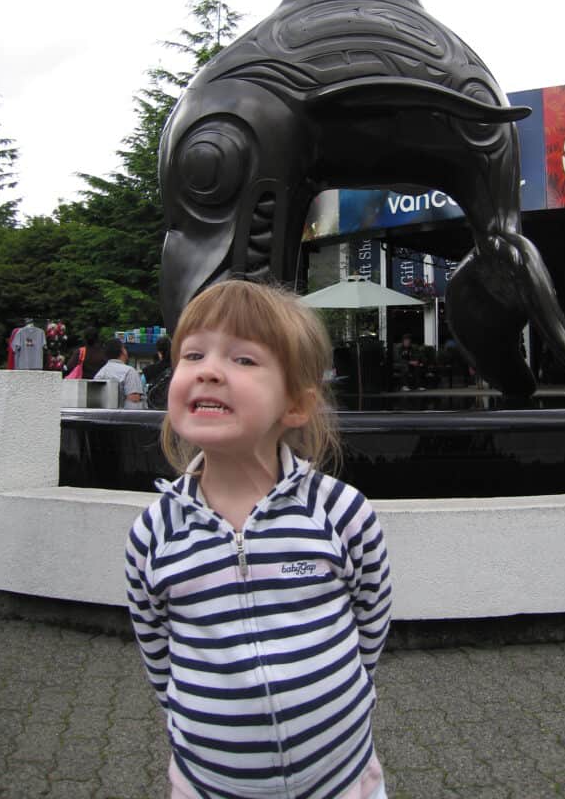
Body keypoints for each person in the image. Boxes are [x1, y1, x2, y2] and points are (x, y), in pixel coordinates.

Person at [125, 280, 392, 799]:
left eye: (244, 360)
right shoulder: (154, 532)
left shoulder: (340, 512)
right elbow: (158, 652)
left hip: (341, 781)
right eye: (193, 354)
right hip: (209, 785)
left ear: (295, 405)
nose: (207, 369)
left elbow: (369, 626)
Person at [93, 338, 145, 409]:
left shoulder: (100, 373)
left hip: (103, 417)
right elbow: (134, 399)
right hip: (123, 417)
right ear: (123, 351)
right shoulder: (129, 371)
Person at [142, 334, 172, 409]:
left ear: (159, 352)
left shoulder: (148, 370)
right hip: (172, 410)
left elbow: (141, 389)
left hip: (153, 411)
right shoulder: (178, 368)